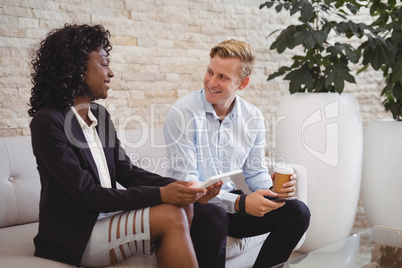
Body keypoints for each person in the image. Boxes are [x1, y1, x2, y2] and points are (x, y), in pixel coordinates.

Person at [28, 23, 209, 268]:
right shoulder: (48, 121)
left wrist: (182, 187)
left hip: (107, 218)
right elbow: (86, 194)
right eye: (104, 64)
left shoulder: (99, 115)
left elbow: (127, 171)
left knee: (182, 205)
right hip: (75, 234)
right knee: (171, 214)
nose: (110, 73)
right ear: (78, 68)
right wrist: (160, 194)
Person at [163, 39, 311, 268]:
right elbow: (188, 184)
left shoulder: (252, 117)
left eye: (222, 77)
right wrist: (240, 203)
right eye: (210, 72)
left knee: (298, 211)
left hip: (230, 202)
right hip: (194, 208)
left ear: (243, 83)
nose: (211, 82)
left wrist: (272, 191)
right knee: (215, 216)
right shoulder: (182, 113)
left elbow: (254, 172)